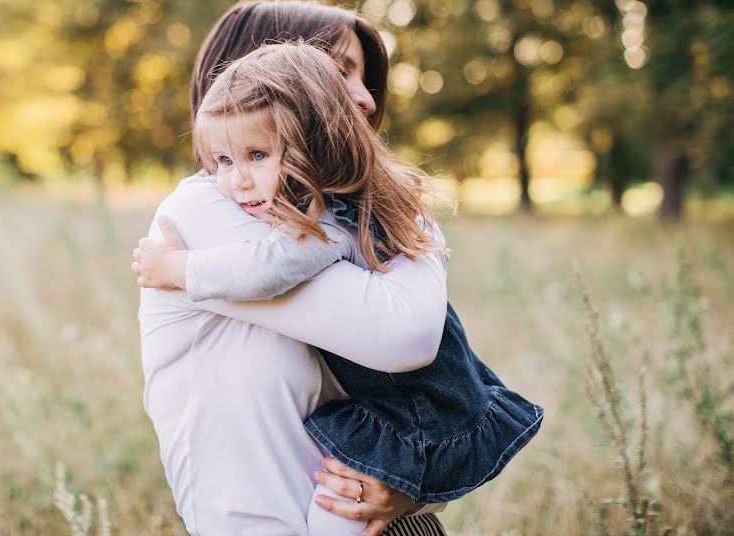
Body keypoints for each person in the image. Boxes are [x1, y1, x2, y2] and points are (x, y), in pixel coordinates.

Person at [134, 41, 544, 536]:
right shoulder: (213, 208)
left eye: (257, 155)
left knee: (337, 510)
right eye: (221, 160)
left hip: (410, 414)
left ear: (314, 138)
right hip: (398, 411)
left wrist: (180, 269)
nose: (235, 181)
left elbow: (267, 269)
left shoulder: (323, 223)